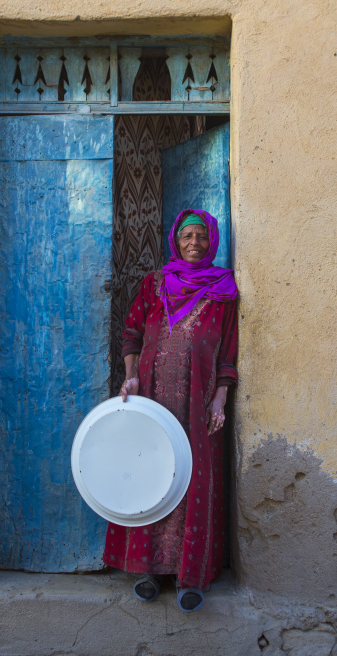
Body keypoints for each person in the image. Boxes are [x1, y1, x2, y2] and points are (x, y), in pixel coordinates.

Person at [102, 208, 238, 612]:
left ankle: (189, 576)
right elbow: (132, 333)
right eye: (186, 237)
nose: (193, 243)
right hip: (153, 400)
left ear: (211, 241)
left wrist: (220, 397)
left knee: (193, 479)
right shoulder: (155, 284)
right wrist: (132, 378)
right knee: (150, 473)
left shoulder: (223, 291)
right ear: (175, 241)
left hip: (198, 405)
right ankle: (148, 569)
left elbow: (228, 352)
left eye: (200, 237)